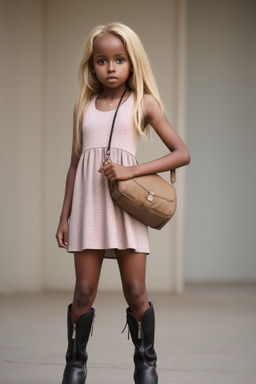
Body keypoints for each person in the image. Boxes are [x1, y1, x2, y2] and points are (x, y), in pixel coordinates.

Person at [56, 22, 190, 384]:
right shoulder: (83, 105)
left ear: (132, 63)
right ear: (92, 64)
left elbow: (181, 153)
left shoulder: (143, 102)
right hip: (87, 207)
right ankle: (75, 362)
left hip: (125, 208)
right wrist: (64, 216)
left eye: (119, 59)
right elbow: (74, 165)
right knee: (83, 290)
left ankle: (146, 362)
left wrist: (133, 172)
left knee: (136, 291)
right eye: (102, 60)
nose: (111, 67)